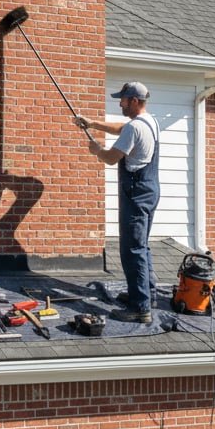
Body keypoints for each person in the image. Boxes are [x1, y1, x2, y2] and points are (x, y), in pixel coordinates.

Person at [76, 81, 160, 324]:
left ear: (134, 100)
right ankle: (147, 294)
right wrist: (92, 123)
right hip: (150, 189)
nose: (120, 104)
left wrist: (96, 150)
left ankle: (140, 308)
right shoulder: (149, 121)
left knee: (132, 250)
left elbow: (112, 158)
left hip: (135, 193)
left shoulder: (134, 127)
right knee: (141, 246)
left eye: (122, 100)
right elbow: (121, 128)